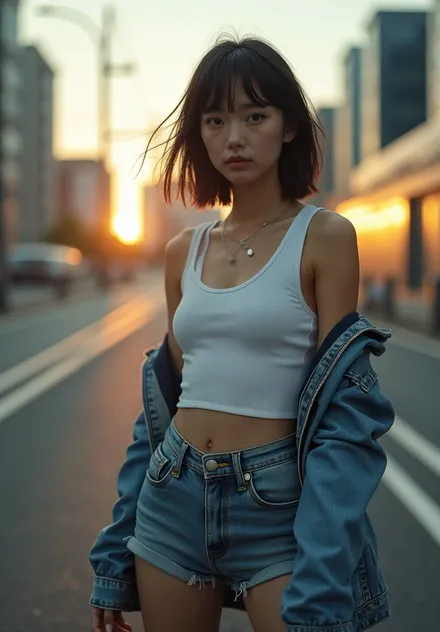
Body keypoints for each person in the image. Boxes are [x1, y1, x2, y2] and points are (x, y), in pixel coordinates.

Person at [89, 35, 395, 632]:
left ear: (287, 127)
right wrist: (113, 550)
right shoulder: (184, 251)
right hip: (173, 493)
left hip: (276, 504)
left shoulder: (326, 236)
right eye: (216, 119)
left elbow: (347, 414)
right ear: (199, 134)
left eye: (255, 116)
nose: (234, 136)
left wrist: (328, 562)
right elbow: (160, 408)